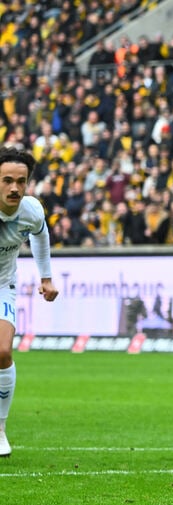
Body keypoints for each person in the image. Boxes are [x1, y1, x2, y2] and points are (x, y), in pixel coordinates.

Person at [0, 147, 59, 457]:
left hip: (2, 284)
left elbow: (40, 233)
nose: (14, 188)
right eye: (7, 180)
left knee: (2, 350)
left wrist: (46, 277)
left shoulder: (31, 210)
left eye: (21, 181)